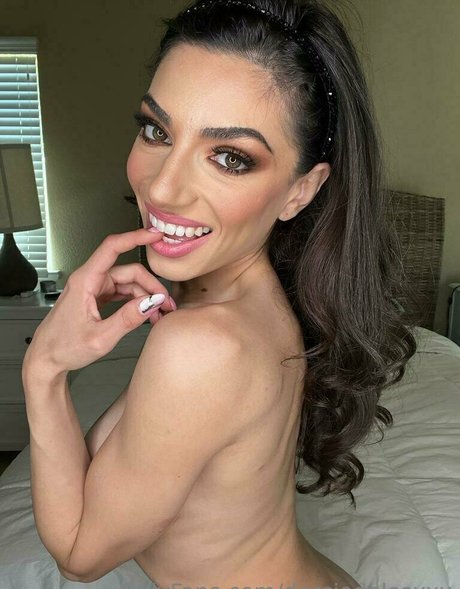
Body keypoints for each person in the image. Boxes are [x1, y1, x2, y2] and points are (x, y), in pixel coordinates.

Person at [79, 0, 418, 586]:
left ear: (300, 191)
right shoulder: (255, 303)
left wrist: (43, 368)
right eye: (157, 130)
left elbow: (80, 555)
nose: (164, 186)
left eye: (230, 157)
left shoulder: (201, 342)